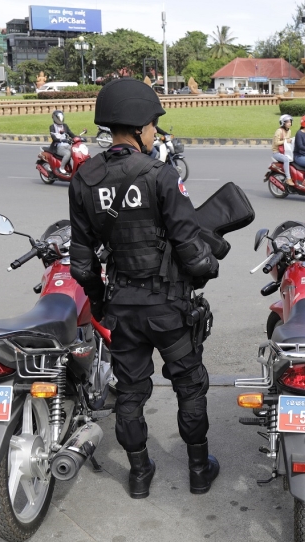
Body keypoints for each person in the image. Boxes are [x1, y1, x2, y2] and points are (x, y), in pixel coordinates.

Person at [69, 79, 220, 499]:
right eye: (153, 125)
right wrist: (208, 268)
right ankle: (197, 470)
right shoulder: (160, 175)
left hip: (122, 307)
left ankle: (138, 474)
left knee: (130, 392)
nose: (156, 133)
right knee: (189, 385)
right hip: (168, 307)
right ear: (138, 127)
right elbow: (191, 250)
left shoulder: (84, 180)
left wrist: (102, 304)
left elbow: (81, 263)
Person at [272, 115, 294, 185]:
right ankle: (288, 178)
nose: (289, 123)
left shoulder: (289, 131)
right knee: (286, 159)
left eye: (290, 121)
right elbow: (276, 143)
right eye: (287, 122)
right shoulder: (279, 131)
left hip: (285, 152)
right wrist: (285, 141)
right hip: (277, 153)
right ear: (283, 123)